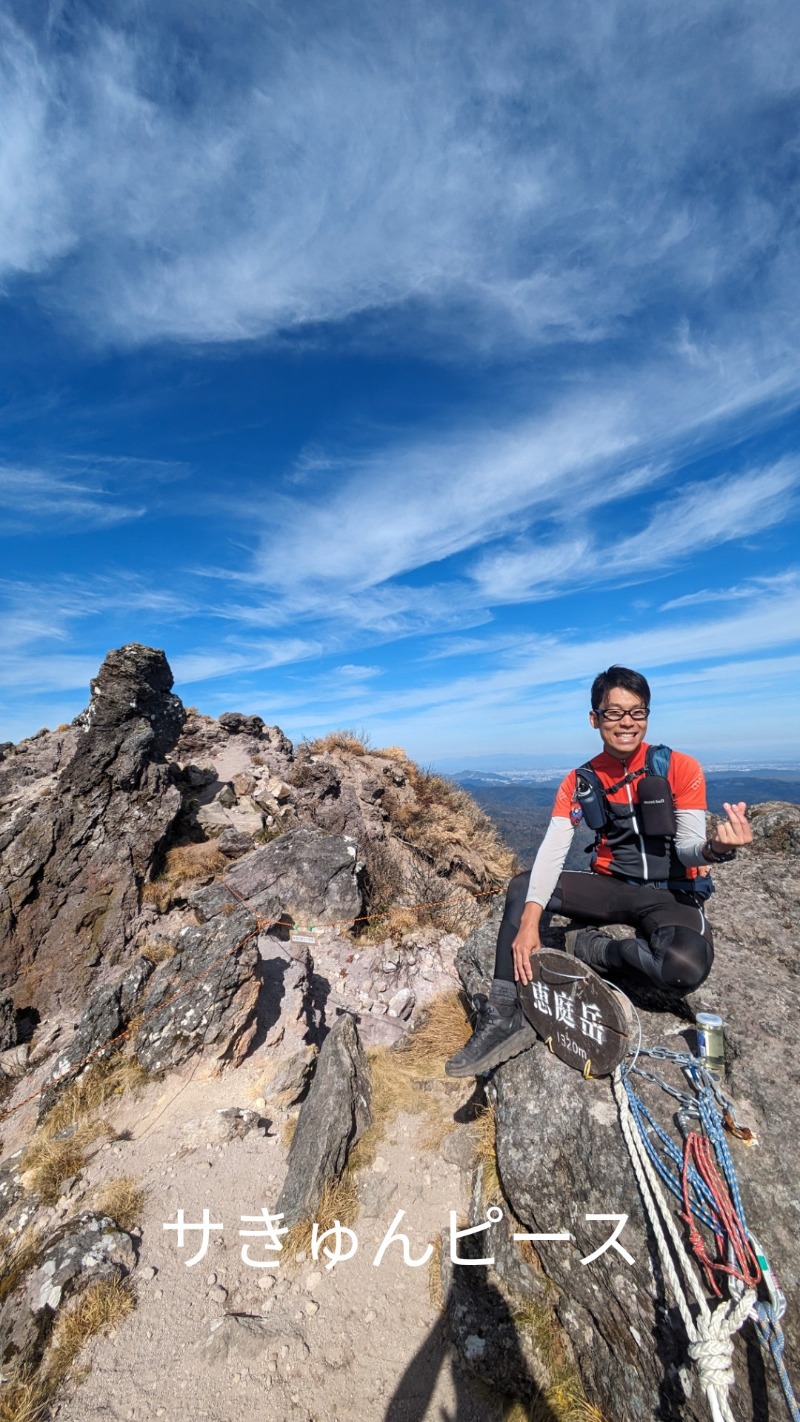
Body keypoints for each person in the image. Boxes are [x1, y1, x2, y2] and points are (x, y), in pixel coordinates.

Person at [445, 665, 753, 1078]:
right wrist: (531, 920)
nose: (627, 722)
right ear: (595, 719)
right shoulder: (580, 781)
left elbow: (688, 849)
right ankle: (503, 1015)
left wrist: (717, 847)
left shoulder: (679, 767)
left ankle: (594, 950)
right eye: (614, 713)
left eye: (638, 712)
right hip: (610, 887)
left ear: (647, 716)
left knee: (682, 968)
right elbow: (553, 850)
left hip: (672, 894)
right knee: (522, 887)